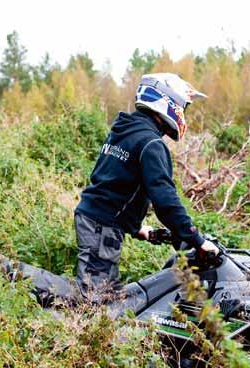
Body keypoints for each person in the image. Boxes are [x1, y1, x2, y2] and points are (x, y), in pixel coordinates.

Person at [74, 73, 219, 299]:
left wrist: (136, 228)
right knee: (95, 300)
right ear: (168, 103)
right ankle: (63, 323)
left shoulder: (125, 130)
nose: (184, 113)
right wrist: (197, 240)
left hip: (95, 219)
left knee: (103, 292)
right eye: (184, 107)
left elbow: (112, 182)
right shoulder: (151, 143)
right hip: (101, 227)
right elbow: (165, 200)